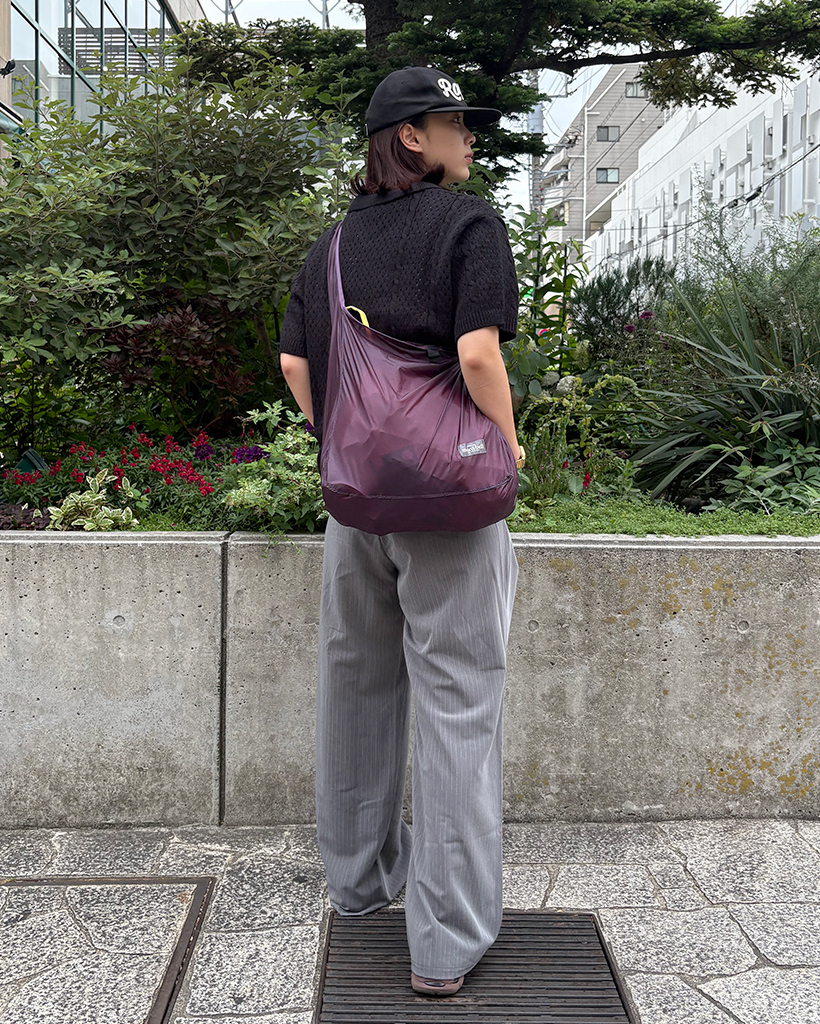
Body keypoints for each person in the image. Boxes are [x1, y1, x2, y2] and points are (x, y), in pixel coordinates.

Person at [279, 65, 523, 998]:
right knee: (458, 699)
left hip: (358, 502)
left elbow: (296, 364)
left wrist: (350, 441)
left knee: (357, 684)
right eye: (457, 122)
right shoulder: (468, 224)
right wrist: (509, 445)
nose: (470, 137)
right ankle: (445, 945)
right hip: (450, 502)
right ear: (412, 137)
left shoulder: (333, 243)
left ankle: (359, 883)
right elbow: (476, 353)